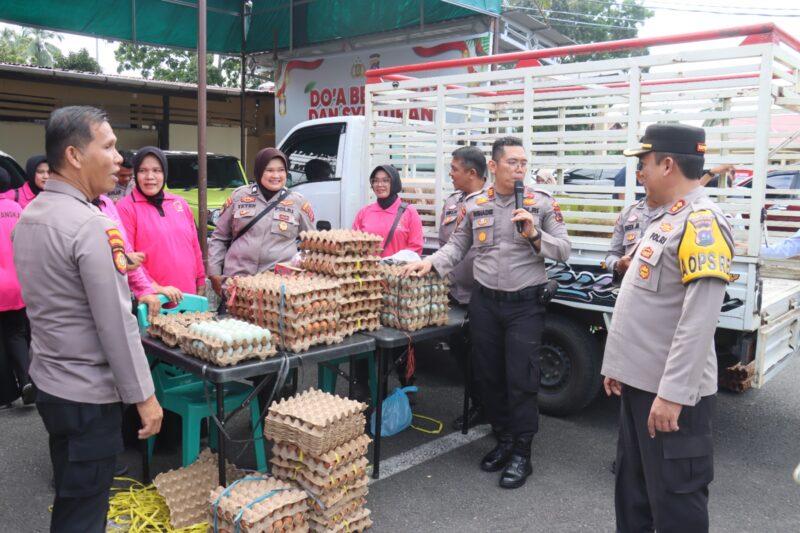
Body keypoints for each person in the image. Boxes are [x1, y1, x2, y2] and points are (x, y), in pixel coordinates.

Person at [12, 105, 163, 532]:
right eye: (109, 146)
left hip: (51, 382)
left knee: (71, 494)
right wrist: (144, 396)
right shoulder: (91, 225)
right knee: (84, 511)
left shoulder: (31, 215)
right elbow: (115, 322)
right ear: (75, 155)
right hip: (87, 394)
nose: (119, 158)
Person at [403, 136, 571, 489]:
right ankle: (504, 438)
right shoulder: (475, 204)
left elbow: (564, 250)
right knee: (488, 376)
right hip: (485, 303)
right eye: (512, 162)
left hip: (524, 305)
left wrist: (535, 235)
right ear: (493, 166)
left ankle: (522, 452)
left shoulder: (541, 203)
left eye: (523, 163)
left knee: (521, 378)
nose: (519, 169)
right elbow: (457, 246)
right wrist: (430, 264)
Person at [602, 123, 734, 532]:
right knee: (634, 495)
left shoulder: (701, 223)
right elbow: (647, 303)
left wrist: (673, 394)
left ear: (668, 165)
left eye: (644, 162)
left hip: (671, 397)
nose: (639, 172)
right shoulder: (666, 218)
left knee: (676, 506)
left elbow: (698, 322)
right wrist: (620, 366)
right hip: (641, 386)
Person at [208, 147, 315, 297]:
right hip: (237, 283)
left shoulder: (298, 203)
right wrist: (214, 272)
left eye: (281, 170)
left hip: (277, 288)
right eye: (269, 170)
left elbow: (312, 245)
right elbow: (219, 237)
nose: (276, 176)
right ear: (259, 171)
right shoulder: (239, 196)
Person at [439, 146, 488, 430]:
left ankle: (490, 408)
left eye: (454, 169)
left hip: (483, 296)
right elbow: (448, 245)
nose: (450, 174)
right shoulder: (452, 202)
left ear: (472, 172)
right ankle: (479, 403)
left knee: (484, 358)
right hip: (454, 295)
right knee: (461, 353)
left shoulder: (492, 202)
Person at [117, 146, 206, 302]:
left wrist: (200, 279)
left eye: (156, 170)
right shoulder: (125, 208)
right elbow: (127, 257)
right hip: (154, 299)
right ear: (135, 174)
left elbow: (194, 246)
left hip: (188, 294)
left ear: (165, 173)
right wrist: (155, 288)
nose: (149, 176)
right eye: (143, 171)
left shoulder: (179, 203)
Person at [92, 193, 161, 319]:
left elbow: (125, 248)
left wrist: (145, 290)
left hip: (116, 299)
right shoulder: (71, 208)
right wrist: (123, 261)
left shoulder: (106, 202)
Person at [0, 167, 33, 409]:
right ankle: (26, 381)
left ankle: (5, 395)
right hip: (18, 282)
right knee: (17, 334)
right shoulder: (17, 209)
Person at [352, 164, 424, 258]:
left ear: (394, 183)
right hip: (369, 267)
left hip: (398, 267)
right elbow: (353, 245)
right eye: (375, 181)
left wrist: (391, 263)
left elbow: (416, 248)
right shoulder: (364, 213)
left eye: (385, 180)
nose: (379, 185)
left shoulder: (409, 212)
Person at [605, 171, 662, 284]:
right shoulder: (628, 213)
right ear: (641, 178)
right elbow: (612, 255)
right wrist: (618, 265)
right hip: (629, 287)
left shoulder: (678, 214)